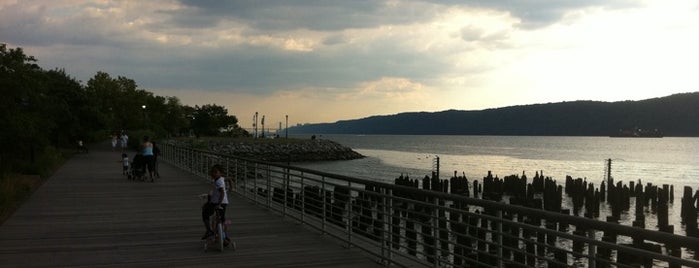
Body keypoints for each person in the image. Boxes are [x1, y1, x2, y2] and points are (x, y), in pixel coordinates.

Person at [201, 164, 229, 240]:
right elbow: (229, 178)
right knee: (221, 218)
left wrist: (218, 204)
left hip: (218, 202)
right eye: (212, 172)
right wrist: (231, 188)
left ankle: (209, 231)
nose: (213, 173)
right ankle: (224, 236)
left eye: (215, 172)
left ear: (221, 173)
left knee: (205, 213)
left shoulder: (218, 182)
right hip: (223, 202)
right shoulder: (221, 178)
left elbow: (222, 193)